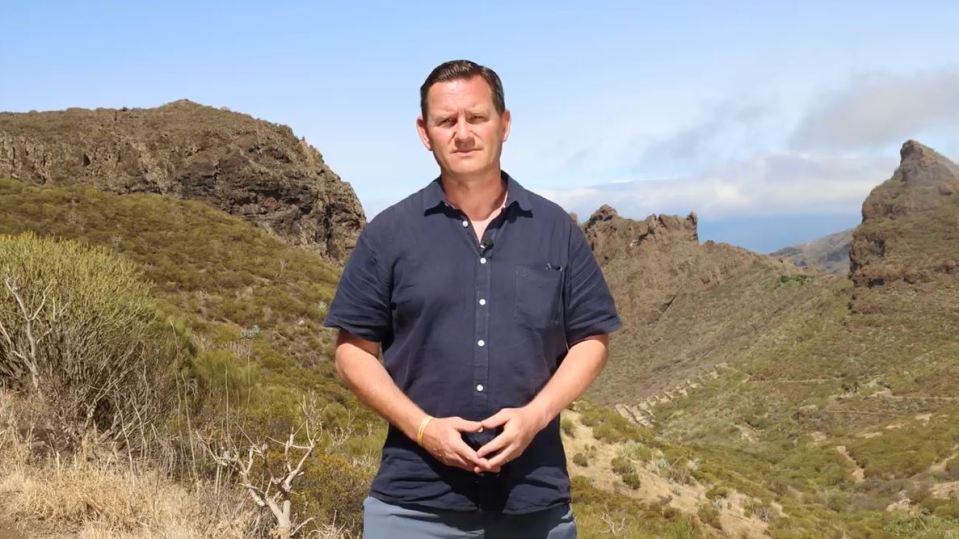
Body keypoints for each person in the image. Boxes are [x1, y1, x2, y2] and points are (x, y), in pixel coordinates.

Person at [323, 59, 622, 539]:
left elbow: (591, 338)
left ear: (504, 123)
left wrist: (535, 417)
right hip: (414, 507)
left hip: (534, 504)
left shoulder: (555, 230)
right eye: (446, 121)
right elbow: (351, 354)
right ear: (425, 133)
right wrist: (423, 429)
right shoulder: (388, 235)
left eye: (477, 117)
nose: (462, 133)